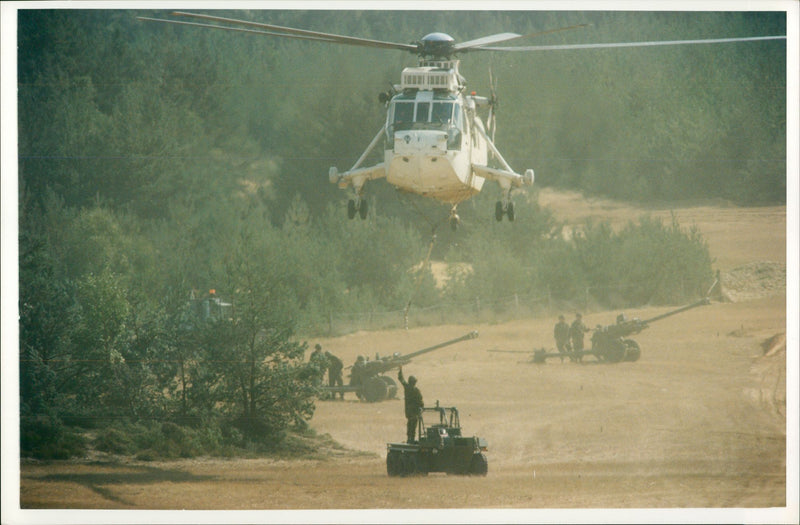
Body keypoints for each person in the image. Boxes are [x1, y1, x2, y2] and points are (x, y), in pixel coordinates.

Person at [397, 367, 423, 444]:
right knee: (413, 426)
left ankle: (409, 439)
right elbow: (420, 401)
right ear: (415, 382)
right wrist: (421, 409)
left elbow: (401, 379)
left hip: (408, 412)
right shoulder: (416, 390)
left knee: (409, 425)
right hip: (415, 412)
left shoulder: (407, 387)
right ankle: (411, 439)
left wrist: (400, 371)